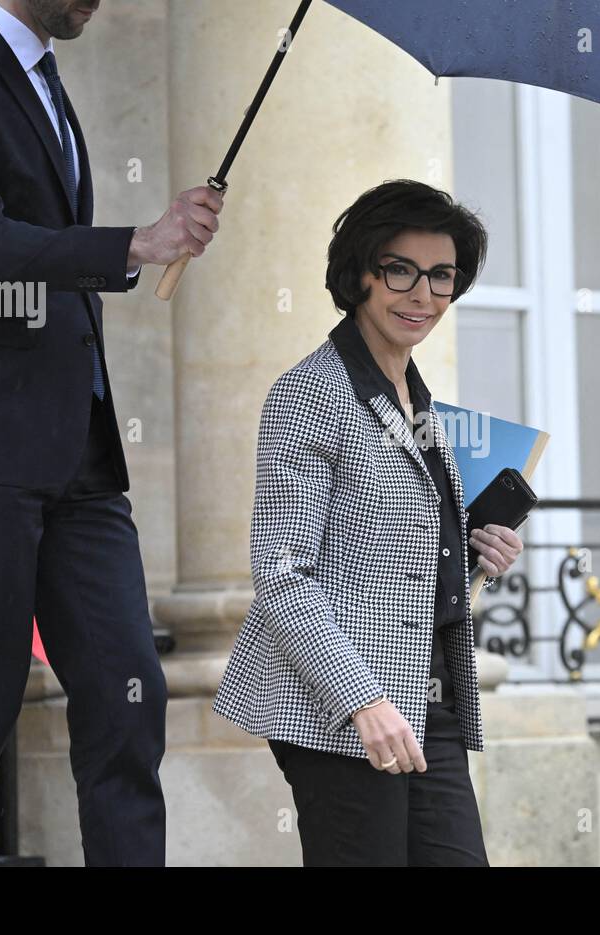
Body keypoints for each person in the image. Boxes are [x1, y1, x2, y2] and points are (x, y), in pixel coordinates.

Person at [0, 0, 223, 866]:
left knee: (129, 691)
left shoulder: (43, 79)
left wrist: (138, 243)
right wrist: (134, 243)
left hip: (80, 456)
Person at [213, 179, 524, 866]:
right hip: (341, 707)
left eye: (441, 276)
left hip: (430, 697)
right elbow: (282, 573)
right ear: (360, 274)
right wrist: (364, 702)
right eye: (400, 270)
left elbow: (394, 553)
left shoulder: (421, 403)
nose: (423, 294)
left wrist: (471, 549)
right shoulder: (309, 394)